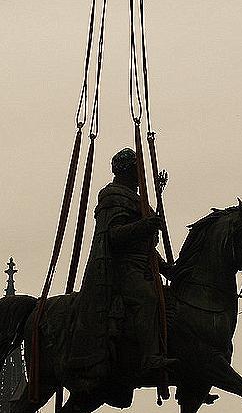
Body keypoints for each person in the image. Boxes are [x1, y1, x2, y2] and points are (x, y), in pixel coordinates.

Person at [68, 148, 175, 399]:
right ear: (127, 170)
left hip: (142, 266)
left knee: (171, 303)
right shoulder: (112, 196)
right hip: (122, 270)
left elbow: (144, 246)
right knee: (148, 299)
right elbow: (113, 236)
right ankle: (149, 358)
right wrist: (144, 224)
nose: (141, 176)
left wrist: (167, 268)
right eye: (138, 171)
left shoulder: (137, 199)